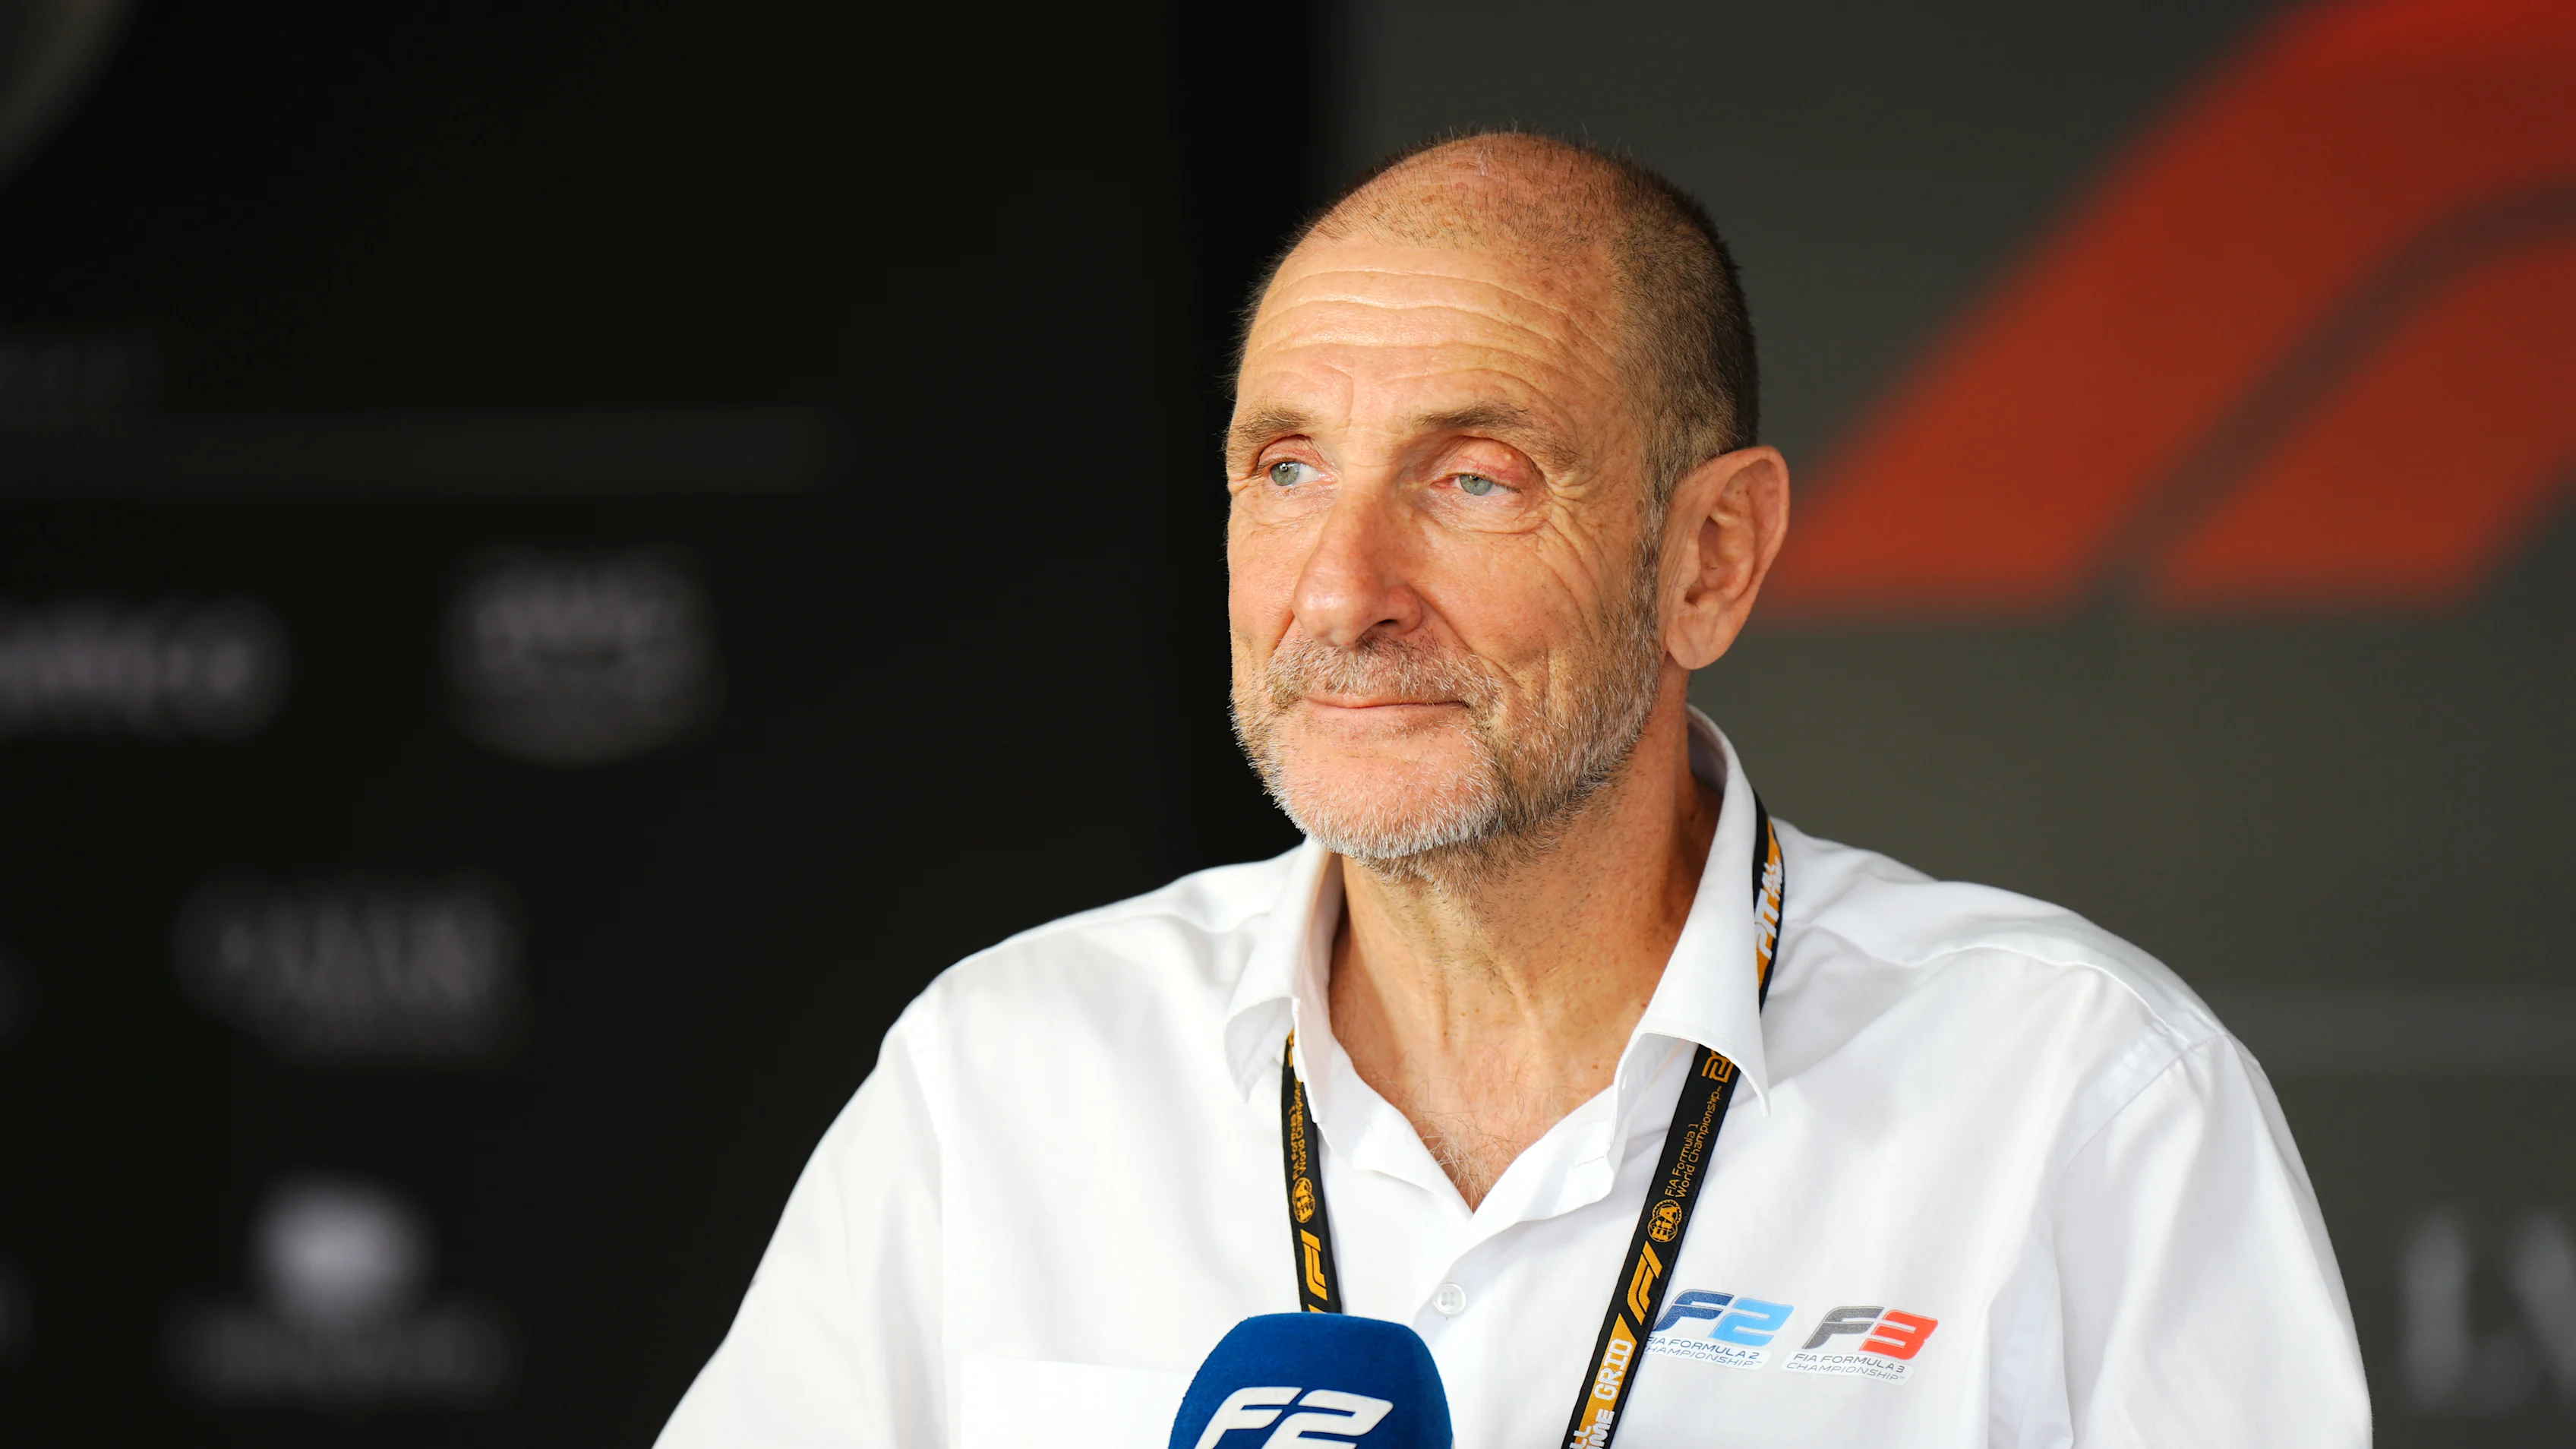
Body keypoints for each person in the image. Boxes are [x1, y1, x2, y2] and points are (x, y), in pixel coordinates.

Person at [656, 131, 2369, 1448]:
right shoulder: (1008, 1072)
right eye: (1287, 467)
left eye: (1472, 479)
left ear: (1710, 557)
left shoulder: (2075, 1096)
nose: (1340, 590)